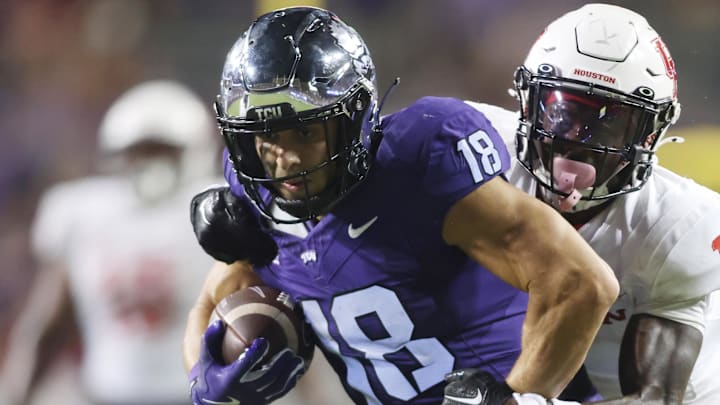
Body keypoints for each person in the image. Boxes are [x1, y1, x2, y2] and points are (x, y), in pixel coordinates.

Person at [183, 6, 619, 405]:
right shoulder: (259, 190)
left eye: (305, 133)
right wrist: (204, 379)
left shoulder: (419, 164)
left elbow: (583, 283)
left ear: (353, 121)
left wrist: (521, 397)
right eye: (268, 136)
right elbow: (211, 301)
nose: (287, 158)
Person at [450, 3, 720, 404]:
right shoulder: (472, 149)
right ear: (527, 104)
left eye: (611, 123)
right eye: (563, 111)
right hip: (530, 368)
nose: (579, 140)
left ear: (650, 135)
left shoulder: (678, 226)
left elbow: (657, 398)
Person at [0, 80, 219, 405]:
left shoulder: (222, 211)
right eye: (140, 152)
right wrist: (15, 393)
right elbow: (49, 320)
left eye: (162, 151)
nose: (150, 164)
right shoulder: (85, 214)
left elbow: (269, 318)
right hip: (108, 393)